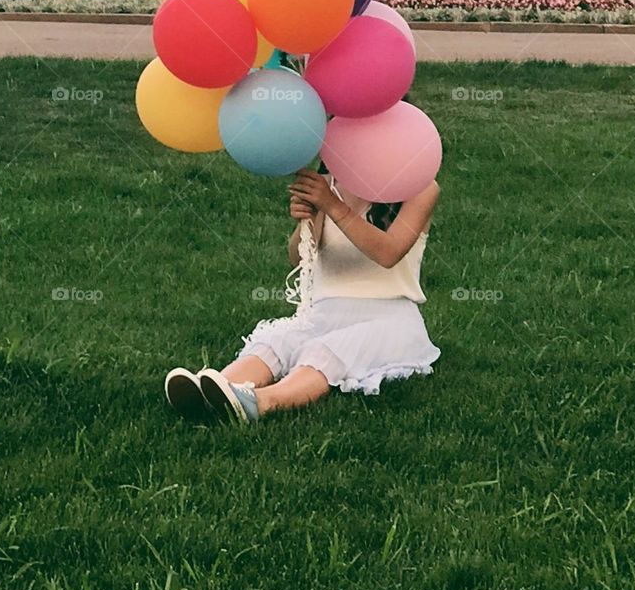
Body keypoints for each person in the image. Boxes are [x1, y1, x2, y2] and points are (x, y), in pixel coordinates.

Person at [164, 167, 440, 423]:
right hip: (324, 312)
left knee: (324, 352)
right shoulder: (329, 183)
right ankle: (214, 388)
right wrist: (306, 219)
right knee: (275, 344)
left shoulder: (420, 188)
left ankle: (258, 402)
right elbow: (298, 257)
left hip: (388, 318)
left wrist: (332, 205)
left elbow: (388, 253)